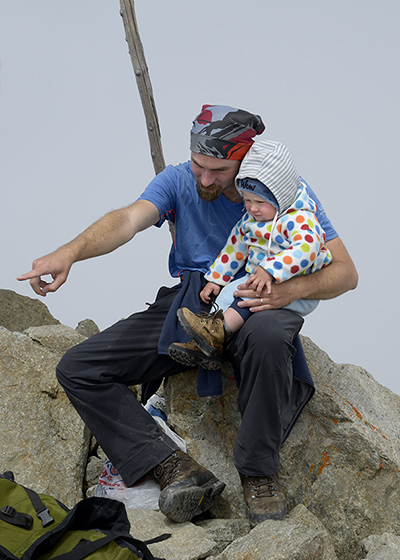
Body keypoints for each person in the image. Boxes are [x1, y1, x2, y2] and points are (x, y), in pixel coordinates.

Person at [18, 104, 358, 526]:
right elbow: (127, 219)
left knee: (270, 336)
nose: (205, 179)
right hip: (190, 305)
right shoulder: (179, 180)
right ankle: (172, 467)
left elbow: (346, 272)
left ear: (245, 160)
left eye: (218, 170)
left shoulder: (282, 190)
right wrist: (70, 253)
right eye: (199, 165)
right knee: (78, 367)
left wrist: (285, 290)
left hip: (260, 303)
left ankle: (257, 472)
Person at [168, 140, 332, 369]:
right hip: (258, 278)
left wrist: (269, 270)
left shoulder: (300, 219)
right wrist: (216, 278)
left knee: (246, 295)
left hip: (295, 286)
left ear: (281, 197)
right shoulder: (251, 220)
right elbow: (234, 247)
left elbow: (307, 249)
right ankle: (208, 344)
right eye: (247, 200)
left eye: (260, 202)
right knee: (227, 295)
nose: (252, 208)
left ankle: (216, 335)